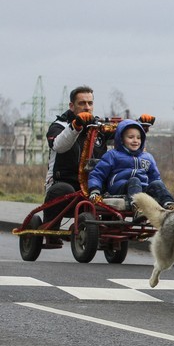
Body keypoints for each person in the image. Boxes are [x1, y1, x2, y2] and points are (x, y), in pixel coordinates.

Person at [43, 85, 109, 244]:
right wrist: (76, 126)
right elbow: (59, 145)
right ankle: (51, 230)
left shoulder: (98, 127)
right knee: (64, 190)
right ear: (72, 106)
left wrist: (140, 127)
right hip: (63, 182)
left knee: (115, 190)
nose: (87, 107)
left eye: (90, 103)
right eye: (82, 103)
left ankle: (110, 235)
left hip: (92, 184)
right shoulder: (59, 126)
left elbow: (125, 138)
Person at [87, 119, 174, 215]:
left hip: (142, 188)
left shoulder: (147, 157)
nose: (135, 141)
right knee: (134, 180)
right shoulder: (113, 155)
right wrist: (95, 190)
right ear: (121, 139)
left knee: (157, 183)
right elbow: (98, 173)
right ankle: (138, 207)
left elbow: (154, 177)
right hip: (120, 187)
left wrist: (156, 188)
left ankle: (169, 205)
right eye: (131, 137)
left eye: (139, 138)